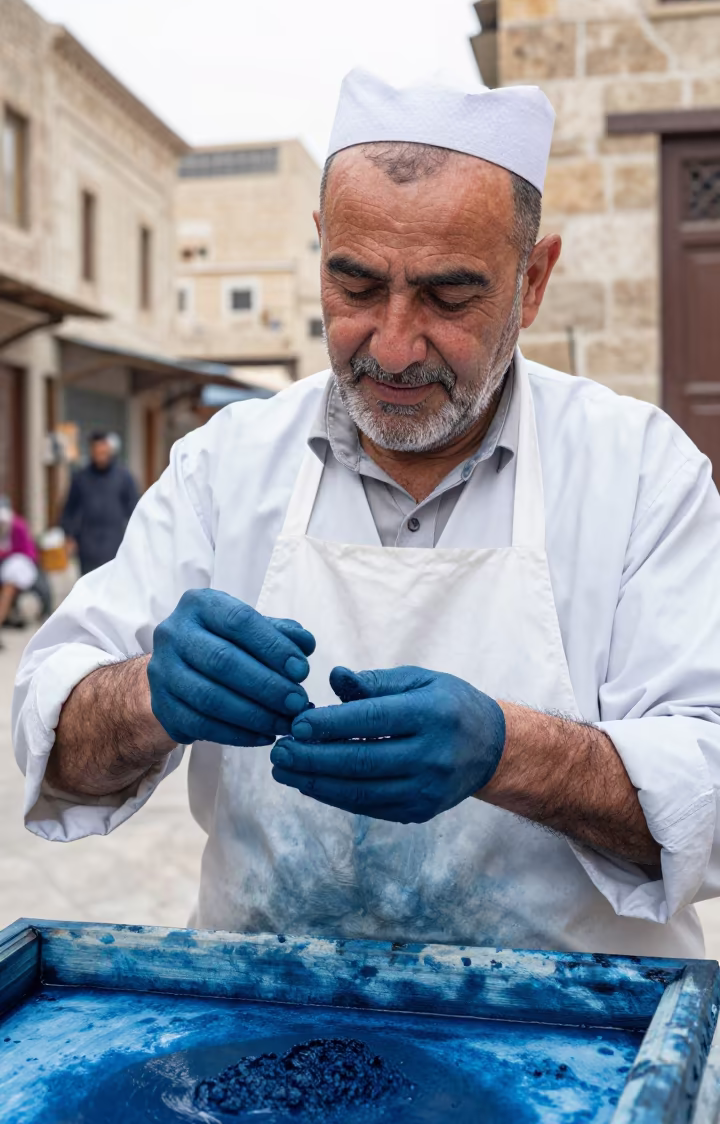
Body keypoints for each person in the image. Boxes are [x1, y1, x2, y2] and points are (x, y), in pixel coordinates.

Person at [12, 70, 720, 959]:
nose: (391, 344)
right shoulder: (225, 465)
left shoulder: (641, 474)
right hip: (263, 1024)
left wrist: (510, 752)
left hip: (568, 1046)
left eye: (448, 296)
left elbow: (711, 790)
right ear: (320, 251)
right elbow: (55, 739)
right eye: (355, 286)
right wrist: (150, 691)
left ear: (533, 282)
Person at [59, 431, 139, 575]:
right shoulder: (81, 477)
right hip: (87, 543)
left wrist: (134, 538)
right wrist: (69, 535)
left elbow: (134, 508)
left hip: (115, 541)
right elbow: (69, 508)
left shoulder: (123, 477)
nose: (100, 456)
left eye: (103, 451)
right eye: (97, 452)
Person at [0, 498, 39, 648]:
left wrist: (5, 554)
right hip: (5, 567)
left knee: (8, 590)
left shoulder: (18, 526)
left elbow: (28, 552)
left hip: (19, 568)